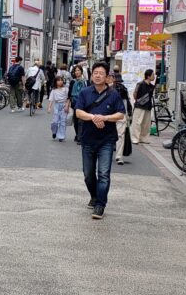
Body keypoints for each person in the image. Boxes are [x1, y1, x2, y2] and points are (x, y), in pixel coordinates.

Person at [75, 62, 125, 220]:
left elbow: (121, 114)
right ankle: (94, 196)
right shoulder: (85, 92)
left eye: (101, 73)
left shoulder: (114, 94)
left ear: (107, 77)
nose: (97, 75)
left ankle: (100, 205)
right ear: (91, 75)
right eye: (95, 72)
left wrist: (105, 118)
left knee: (103, 174)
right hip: (88, 140)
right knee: (88, 174)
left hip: (106, 140)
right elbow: (78, 112)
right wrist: (93, 117)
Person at [109, 70, 132, 165]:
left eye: (111, 77)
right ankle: (114, 155)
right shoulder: (123, 89)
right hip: (114, 115)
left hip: (115, 114)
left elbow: (126, 102)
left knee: (117, 135)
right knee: (115, 136)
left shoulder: (116, 89)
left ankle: (115, 155)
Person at [131, 69, 156, 145]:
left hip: (148, 106)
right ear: (148, 76)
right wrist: (139, 101)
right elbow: (135, 94)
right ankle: (135, 138)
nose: (154, 76)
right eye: (153, 75)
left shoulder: (152, 86)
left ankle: (143, 138)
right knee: (137, 122)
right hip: (139, 106)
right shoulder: (140, 84)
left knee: (146, 124)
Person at [47, 75, 70, 142]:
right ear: (55, 82)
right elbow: (51, 100)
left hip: (64, 105)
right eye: (58, 80)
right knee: (55, 121)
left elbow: (68, 98)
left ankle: (61, 136)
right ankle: (54, 132)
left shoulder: (66, 89)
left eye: (61, 80)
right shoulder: (54, 90)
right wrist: (49, 107)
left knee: (63, 121)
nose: (60, 82)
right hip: (57, 105)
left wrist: (67, 106)